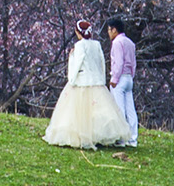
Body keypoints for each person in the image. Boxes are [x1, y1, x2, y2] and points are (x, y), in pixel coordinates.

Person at [43, 19, 127, 148]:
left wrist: (71, 77)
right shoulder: (96, 44)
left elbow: (78, 63)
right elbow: (101, 62)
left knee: (77, 111)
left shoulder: (80, 46)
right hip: (96, 82)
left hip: (82, 81)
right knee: (97, 111)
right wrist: (101, 78)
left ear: (78, 32)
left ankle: (80, 136)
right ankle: (97, 136)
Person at [106, 18, 138, 147]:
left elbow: (118, 63)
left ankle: (121, 139)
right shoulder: (130, 43)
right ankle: (133, 139)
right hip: (129, 77)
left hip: (119, 78)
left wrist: (114, 79)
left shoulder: (117, 43)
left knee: (119, 109)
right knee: (131, 110)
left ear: (114, 29)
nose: (109, 33)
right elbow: (134, 64)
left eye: (109, 30)